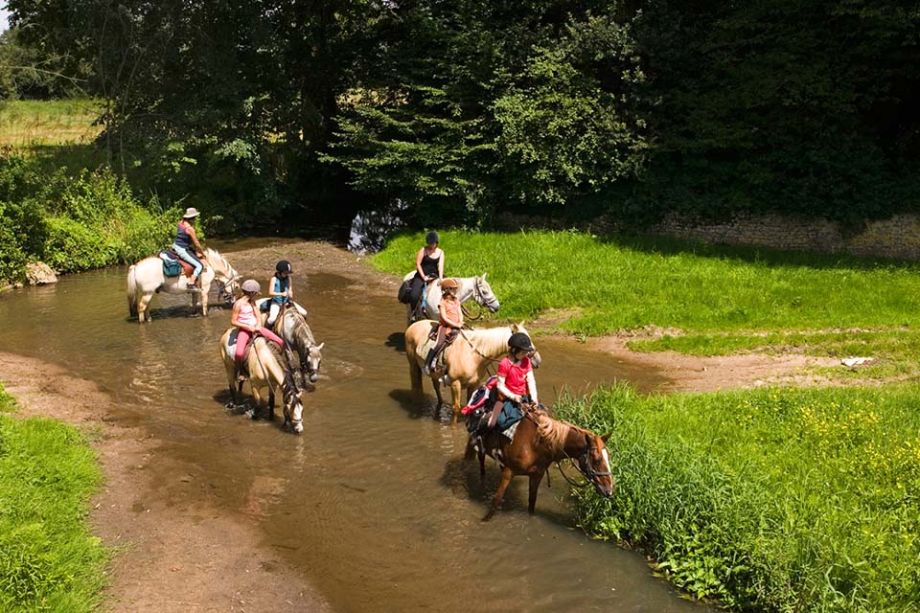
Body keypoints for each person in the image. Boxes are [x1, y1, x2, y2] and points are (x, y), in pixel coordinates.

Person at [484, 332, 539, 431]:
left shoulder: (526, 361)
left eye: (526, 353)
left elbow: (531, 380)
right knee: (498, 422)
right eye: (523, 352)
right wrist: (513, 397)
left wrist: (534, 399)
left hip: (523, 396)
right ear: (514, 350)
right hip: (507, 398)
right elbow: (500, 385)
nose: (525, 355)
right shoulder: (504, 364)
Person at [232, 279, 285, 378]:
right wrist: (248, 327)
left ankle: (277, 363)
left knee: (280, 342)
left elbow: (258, 315)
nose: (257, 295)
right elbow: (233, 321)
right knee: (239, 353)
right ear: (251, 293)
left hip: (257, 328)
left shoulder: (252, 302)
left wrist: (258, 325)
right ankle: (239, 371)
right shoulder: (238, 304)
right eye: (256, 293)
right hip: (245, 330)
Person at [425, 278, 463, 373]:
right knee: (439, 343)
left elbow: (460, 312)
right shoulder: (443, 302)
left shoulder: (456, 301)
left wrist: (461, 322)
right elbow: (444, 317)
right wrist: (455, 324)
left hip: (458, 325)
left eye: (455, 289)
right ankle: (430, 362)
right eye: (453, 289)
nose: (455, 291)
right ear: (447, 290)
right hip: (446, 326)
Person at [407, 231, 444, 310]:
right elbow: (418, 264)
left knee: (450, 287)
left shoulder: (441, 252)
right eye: (429, 244)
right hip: (421, 275)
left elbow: (440, 266)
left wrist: (441, 279)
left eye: (432, 244)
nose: (431, 245)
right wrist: (424, 277)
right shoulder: (423, 250)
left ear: (436, 243)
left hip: (435, 275)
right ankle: (413, 313)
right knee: (414, 294)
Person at [172, 207, 206, 287]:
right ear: (192, 219)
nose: (195, 220)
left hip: (176, 245)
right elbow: (197, 244)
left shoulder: (180, 223)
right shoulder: (190, 229)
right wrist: (202, 253)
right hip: (182, 249)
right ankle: (191, 282)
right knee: (199, 266)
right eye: (195, 218)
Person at [267, 260, 294, 327]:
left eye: (288, 273)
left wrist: (290, 293)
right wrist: (281, 294)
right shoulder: (274, 279)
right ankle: (266, 331)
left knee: (303, 313)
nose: (287, 275)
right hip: (277, 302)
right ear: (280, 272)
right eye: (285, 273)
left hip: (286, 302)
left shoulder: (289, 278)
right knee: (272, 319)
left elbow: (290, 289)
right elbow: (270, 292)